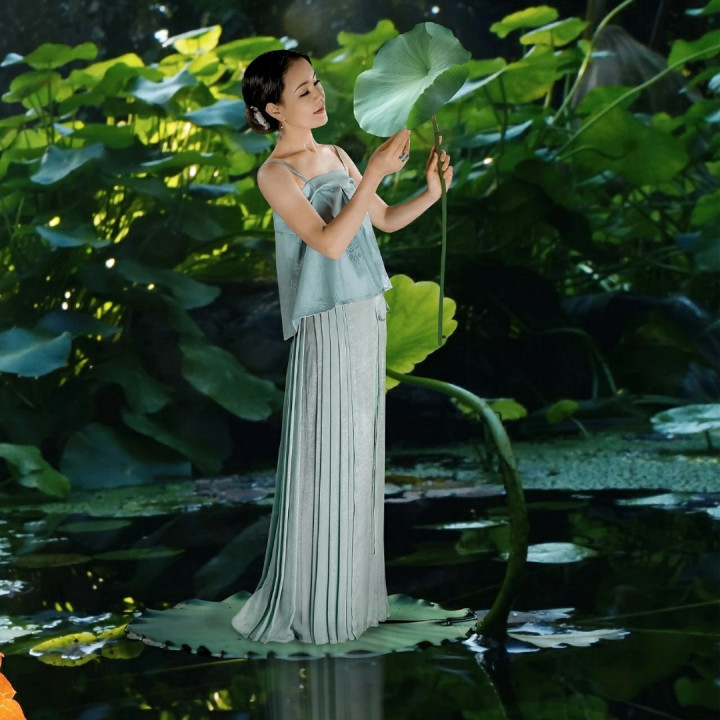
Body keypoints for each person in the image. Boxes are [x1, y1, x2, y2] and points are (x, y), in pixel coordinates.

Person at [231, 49, 452, 644]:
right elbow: (328, 243)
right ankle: (313, 602)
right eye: (303, 90)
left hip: (366, 312)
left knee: (359, 451)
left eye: (316, 83)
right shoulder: (275, 174)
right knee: (325, 447)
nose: (318, 95)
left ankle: (352, 598)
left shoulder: (337, 154)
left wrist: (431, 192)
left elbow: (384, 221)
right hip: (327, 320)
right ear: (275, 109)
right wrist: (373, 173)